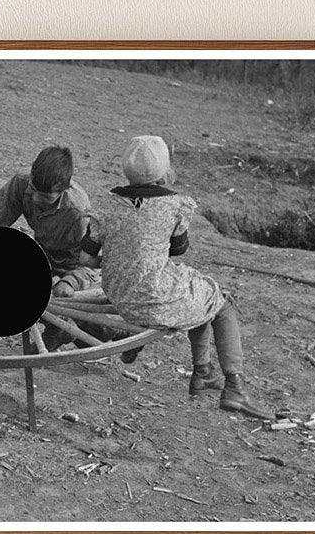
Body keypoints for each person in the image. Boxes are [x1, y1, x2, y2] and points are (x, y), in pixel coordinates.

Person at [85, 135, 272, 420]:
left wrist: (118, 260)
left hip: (119, 294)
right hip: (154, 295)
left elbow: (84, 259)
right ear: (163, 171)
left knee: (196, 291)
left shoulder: (109, 205)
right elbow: (179, 249)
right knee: (220, 303)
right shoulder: (174, 205)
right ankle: (234, 386)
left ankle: (203, 372)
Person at [0, 145, 102, 297]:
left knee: (63, 292)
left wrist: (71, 281)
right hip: (42, 255)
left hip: (72, 268)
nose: (35, 198)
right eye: (32, 189)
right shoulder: (21, 183)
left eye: (45, 197)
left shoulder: (77, 212)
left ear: (64, 189)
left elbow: (91, 264)